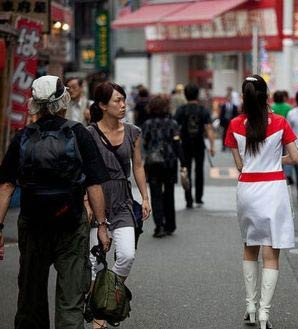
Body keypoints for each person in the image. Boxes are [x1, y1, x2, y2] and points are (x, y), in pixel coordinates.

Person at [0, 75, 111, 329]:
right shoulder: (78, 133)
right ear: (63, 101)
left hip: (32, 226)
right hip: (71, 225)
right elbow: (94, 184)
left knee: (30, 299)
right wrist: (102, 225)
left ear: (34, 104)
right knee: (71, 300)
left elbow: (6, 185)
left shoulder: (22, 137)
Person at [225, 75, 298, 329]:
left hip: (247, 189)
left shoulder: (235, 124)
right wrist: (276, 161)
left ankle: (250, 306)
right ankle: (265, 313)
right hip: (273, 189)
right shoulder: (280, 122)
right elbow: (296, 157)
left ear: (244, 97)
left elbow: (239, 164)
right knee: (271, 252)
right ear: (265, 95)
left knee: (250, 247)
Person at [87, 82, 151, 329]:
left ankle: (106, 299)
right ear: (102, 105)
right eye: (117, 101)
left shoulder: (133, 132)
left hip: (123, 200)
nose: (123, 105)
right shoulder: (89, 134)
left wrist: (145, 197)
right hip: (97, 198)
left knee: (126, 254)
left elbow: (138, 166)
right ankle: (98, 313)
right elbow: (84, 171)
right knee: (95, 262)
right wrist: (87, 203)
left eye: (124, 100)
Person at [142, 96, 187, 237]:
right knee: (169, 193)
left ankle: (159, 226)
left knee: (155, 194)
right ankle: (170, 225)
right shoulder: (172, 124)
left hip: (153, 163)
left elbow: (144, 144)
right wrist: (183, 162)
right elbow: (177, 144)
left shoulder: (147, 124)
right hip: (170, 162)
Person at [174, 83, 216, 208]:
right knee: (199, 171)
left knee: (186, 171)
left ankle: (189, 199)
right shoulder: (203, 110)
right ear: (197, 95)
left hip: (185, 144)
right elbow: (208, 128)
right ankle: (199, 197)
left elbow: (175, 128)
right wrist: (212, 146)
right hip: (199, 144)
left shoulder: (181, 110)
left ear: (185, 95)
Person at [272, 90, 294, 184]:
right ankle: (288, 175)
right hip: (286, 132)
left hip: (274, 134)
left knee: (276, 154)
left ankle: (277, 171)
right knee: (288, 153)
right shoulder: (289, 107)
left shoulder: (272, 107)